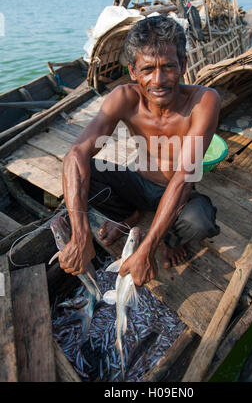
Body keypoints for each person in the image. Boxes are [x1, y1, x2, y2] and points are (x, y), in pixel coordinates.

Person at [60, 15, 221, 287]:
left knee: (199, 222)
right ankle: (130, 215)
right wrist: (80, 235)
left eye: (168, 67)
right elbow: (76, 154)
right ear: (133, 71)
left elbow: (184, 177)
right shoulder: (124, 97)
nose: (158, 80)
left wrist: (148, 248)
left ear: (183, 65)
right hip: (137, 183)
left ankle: (171, 238)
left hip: (177, 192)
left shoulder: (203, 100)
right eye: (147, 69)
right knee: (78, 170)